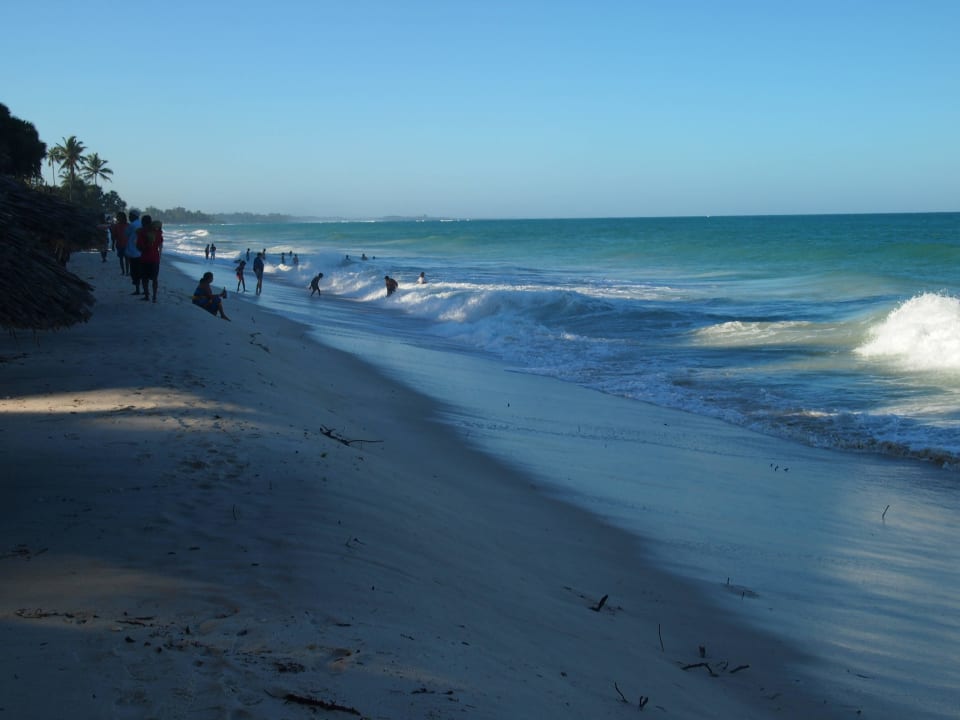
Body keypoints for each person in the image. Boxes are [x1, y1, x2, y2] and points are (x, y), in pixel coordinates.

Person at [136, 214, 163, 302]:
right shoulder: (158, 233)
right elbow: (160, 244)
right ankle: (154, 297)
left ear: (143, 223)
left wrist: (145, 246)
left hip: (144, 258)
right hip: (155, 258)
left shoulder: (141, 233)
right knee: (155, 279)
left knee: (145, 279)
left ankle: (147, 296)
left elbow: (139, 247)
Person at [125, 210, 143, 295]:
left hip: (133, 251)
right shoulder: (142, 224)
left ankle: (137, 289)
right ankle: (144, 290)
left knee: (134, 271)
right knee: (141, 271)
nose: (129, 217)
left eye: (130, 216)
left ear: (134, 216)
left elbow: (126, 234)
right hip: (142, 251)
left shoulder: (132, 225)